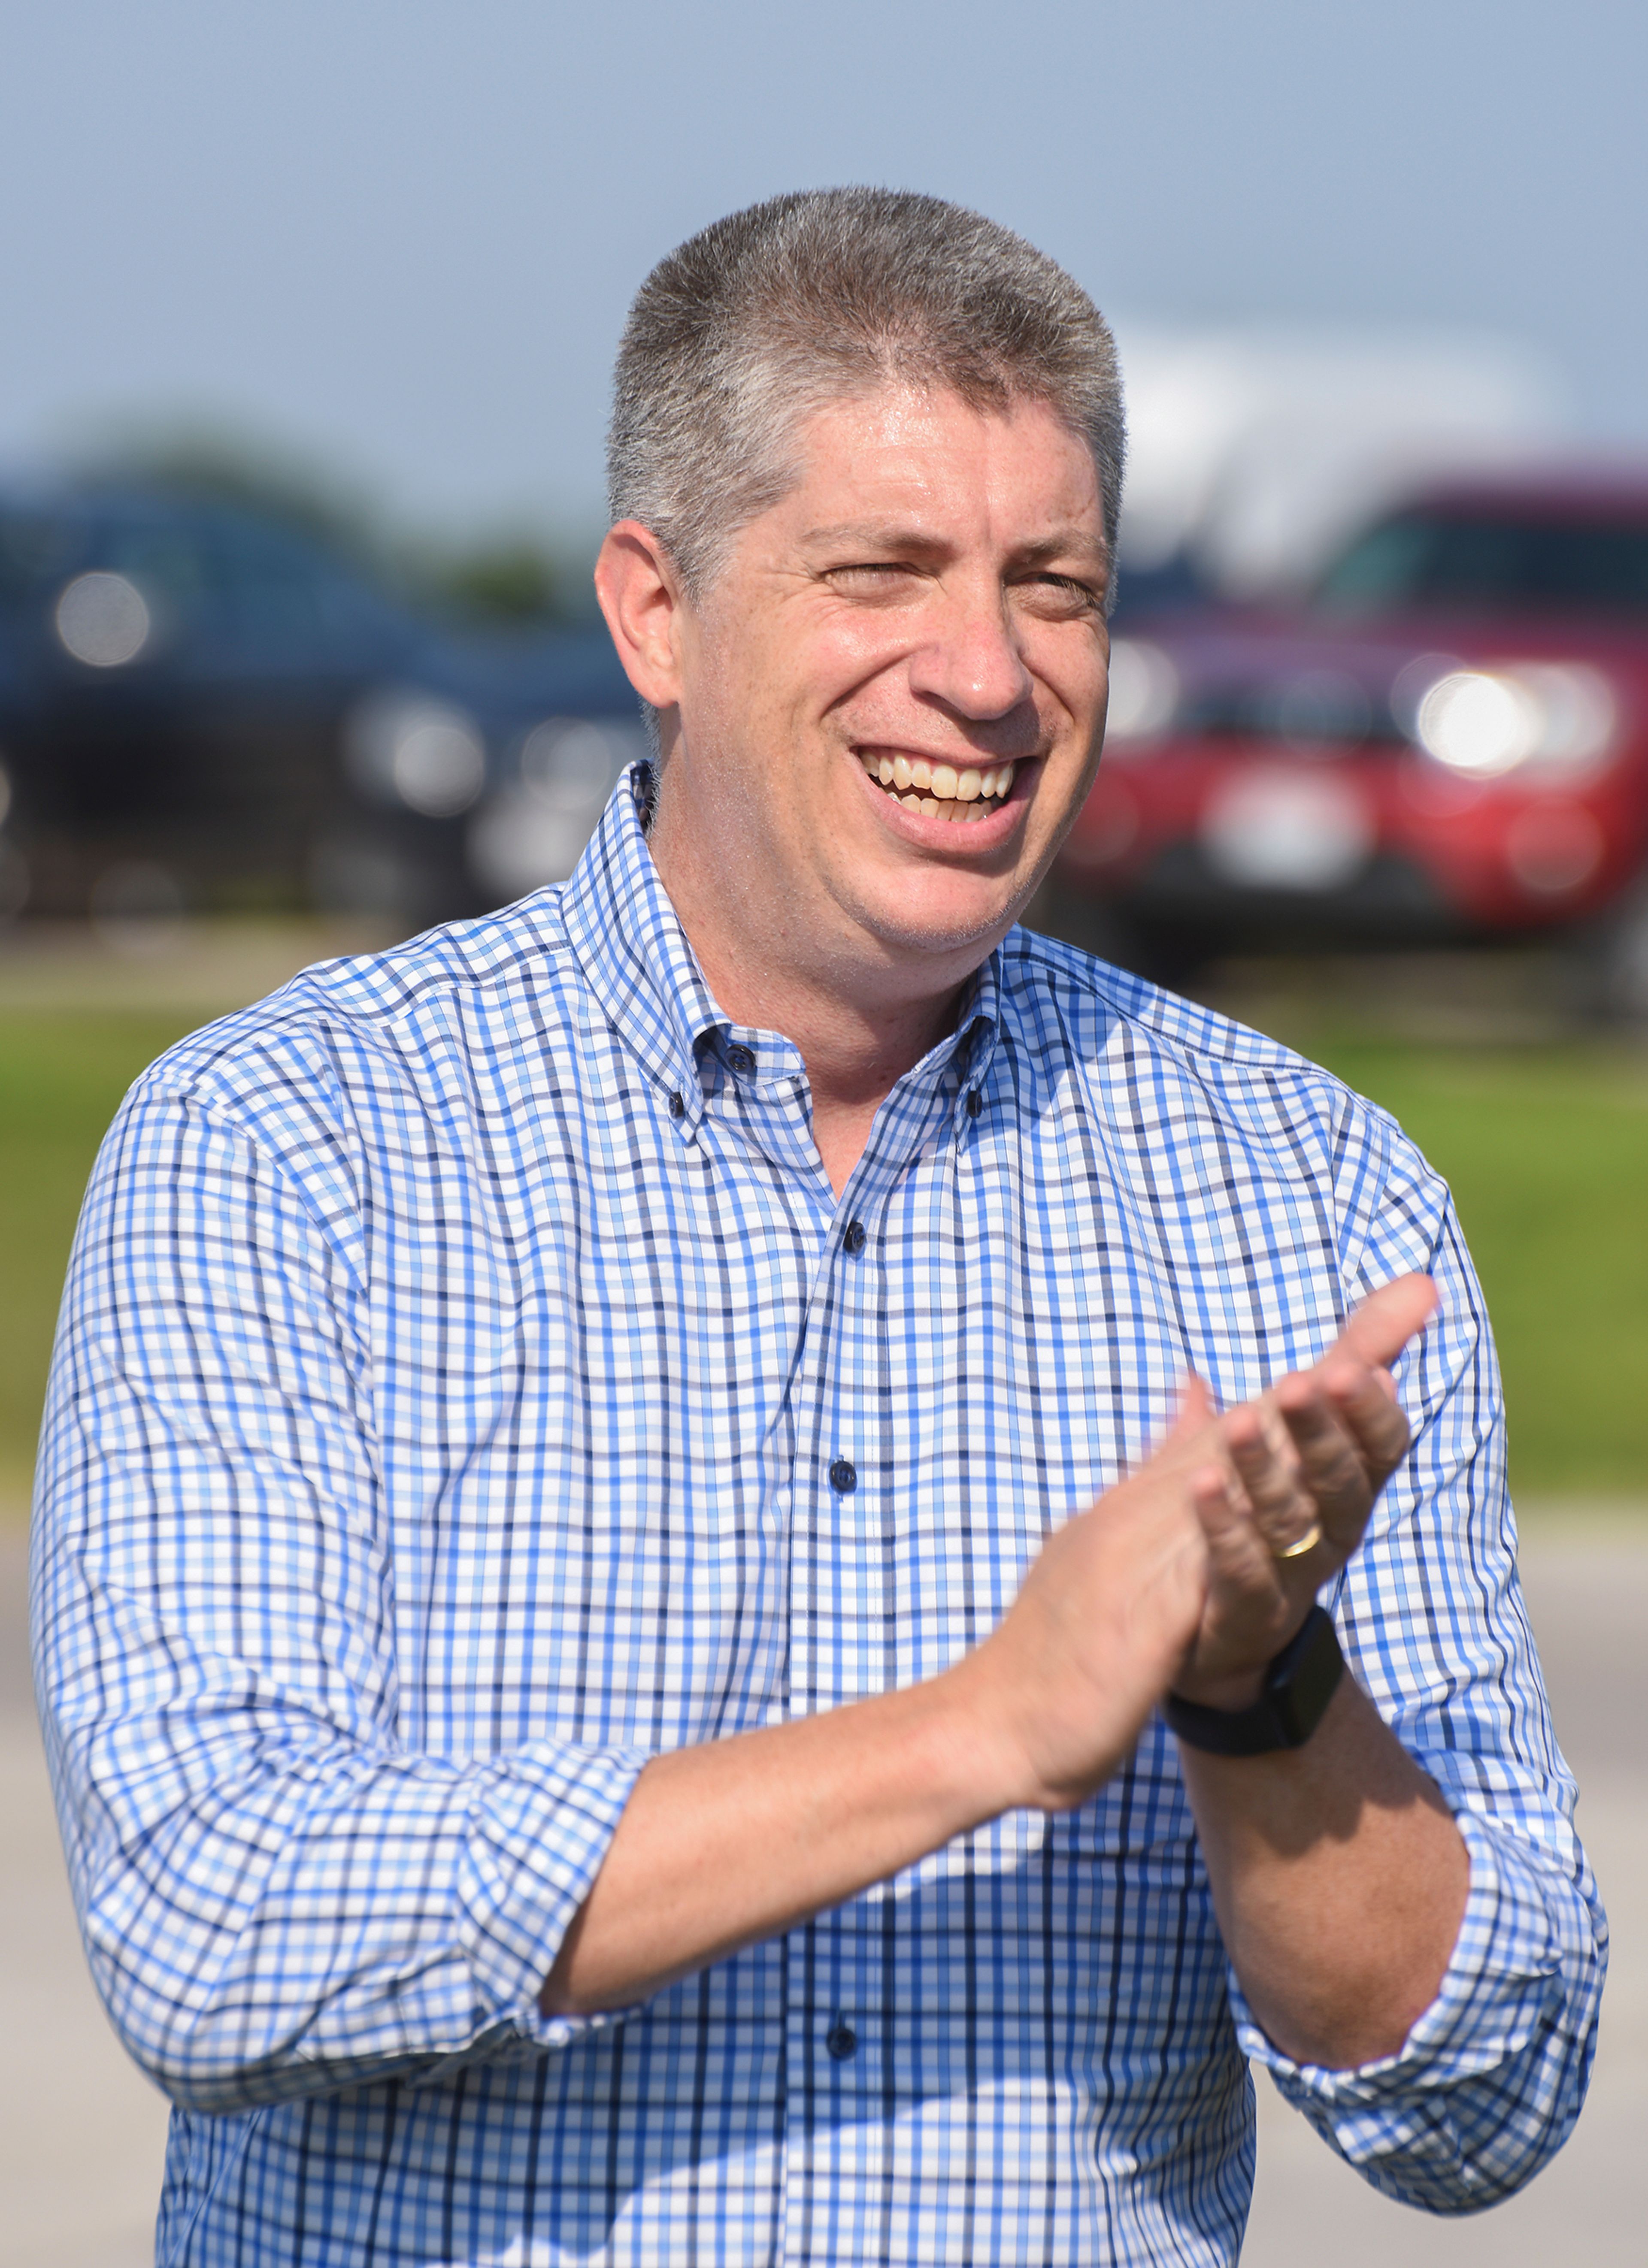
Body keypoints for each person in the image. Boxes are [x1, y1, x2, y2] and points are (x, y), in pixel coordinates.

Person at [33, 189, 1603, 2268]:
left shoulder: (1306, 1193)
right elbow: (214, 1920)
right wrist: (987, 1726)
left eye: (1057, 586)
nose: (987, 676)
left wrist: (1254, 1683)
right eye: (885, 572)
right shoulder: (290, 1140)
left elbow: (1485, 2096)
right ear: (653, 611)